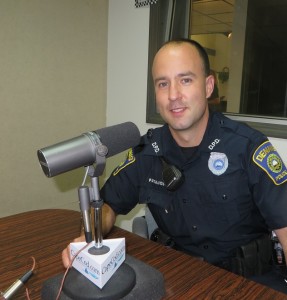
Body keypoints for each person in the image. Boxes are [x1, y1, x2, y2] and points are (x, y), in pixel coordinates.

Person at [62, 39, 287, 292]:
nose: (173, 95)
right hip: (178, 276)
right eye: (162, 83)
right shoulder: (147, 152)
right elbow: (106, 206)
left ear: (208, 86)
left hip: (252, 282)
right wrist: (89, 238)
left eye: (186, 80)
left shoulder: (248, 147)